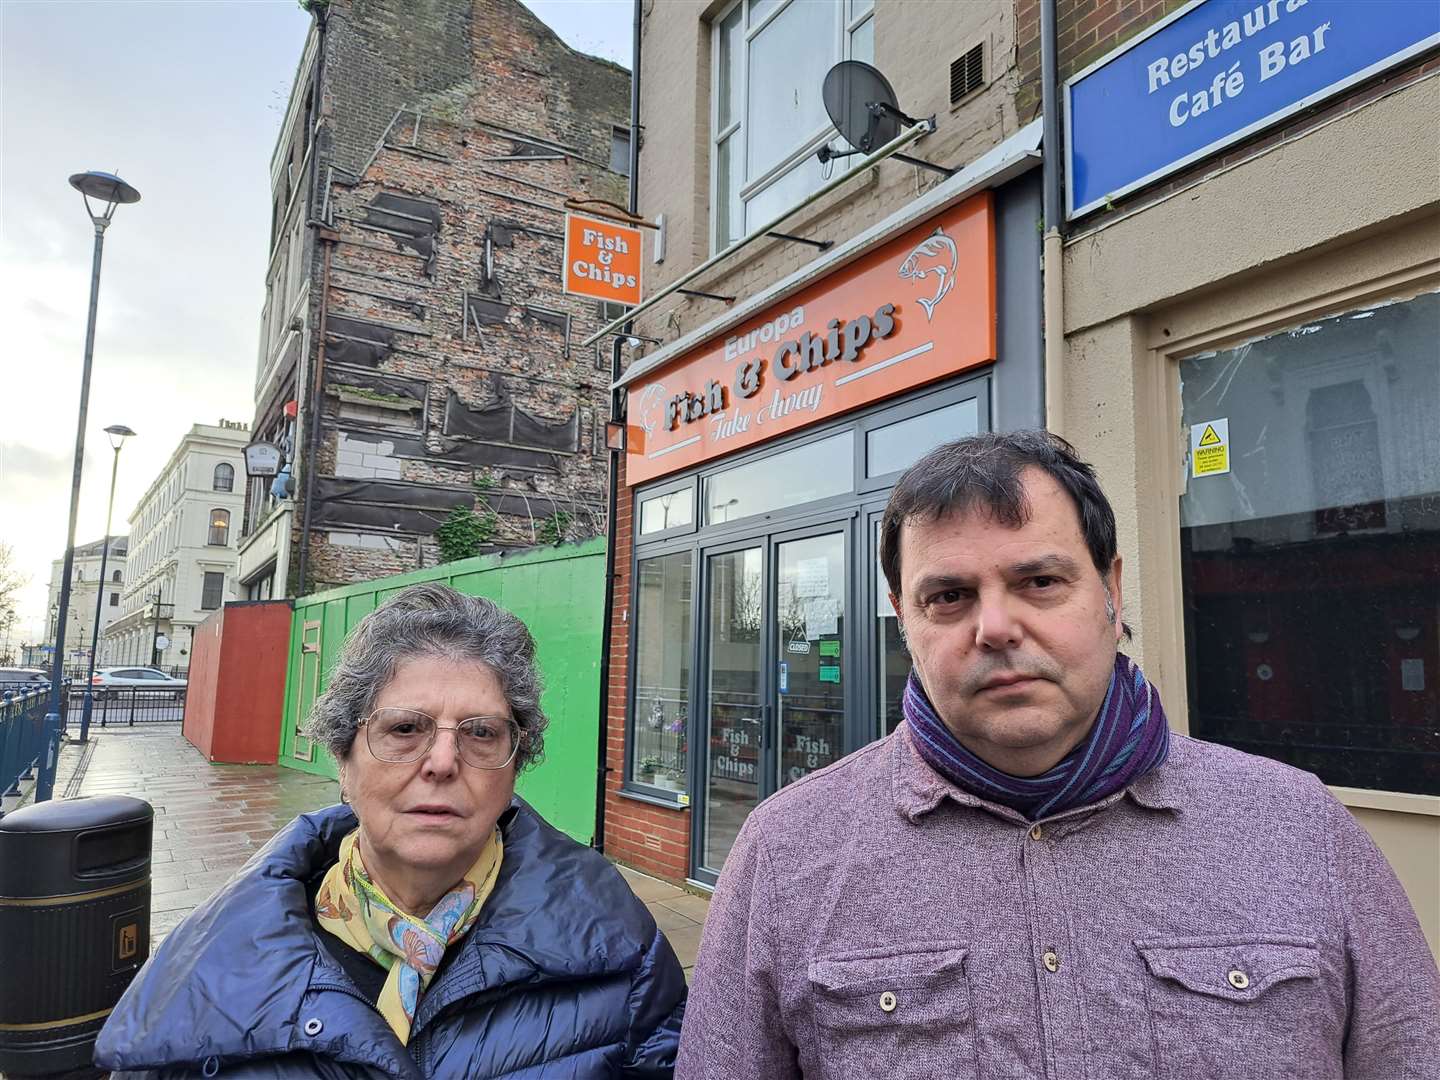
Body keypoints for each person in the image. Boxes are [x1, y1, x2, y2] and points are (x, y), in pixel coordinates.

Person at [677, 431, 1439, 1080]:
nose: (997, 627)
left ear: (1110, 591)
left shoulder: (1298, 827)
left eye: (1039, 581)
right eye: (949, 596)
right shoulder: (785, 853)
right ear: (902, 619)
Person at [97, 583, 685, 1078]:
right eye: (405, 728)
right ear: (343, 760)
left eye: (481, 733)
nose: (442, 762)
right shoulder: (207, 969)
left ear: (515, 765)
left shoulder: (621, 954)